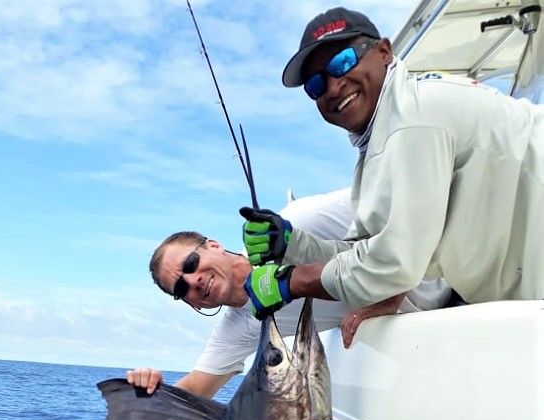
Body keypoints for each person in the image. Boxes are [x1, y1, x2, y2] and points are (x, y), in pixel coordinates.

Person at [240, 6, 544, 321]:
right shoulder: (380, 143)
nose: (332, 87)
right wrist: (292, 243)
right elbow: (368, 254)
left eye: (343, 62)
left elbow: (395, 265)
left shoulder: (414, 116)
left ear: (384, 51)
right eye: (315, 85)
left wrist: (293, 282)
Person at [130, 189, 450, 398]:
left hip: (456, 289)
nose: (193, 280)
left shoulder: (299, 220)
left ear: (212, 245)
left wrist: (386, 300)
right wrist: (148, 390)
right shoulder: (238, 326)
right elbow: (196, 389)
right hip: (434, 343)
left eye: (190, 263)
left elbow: (405, 208)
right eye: (181, 288)